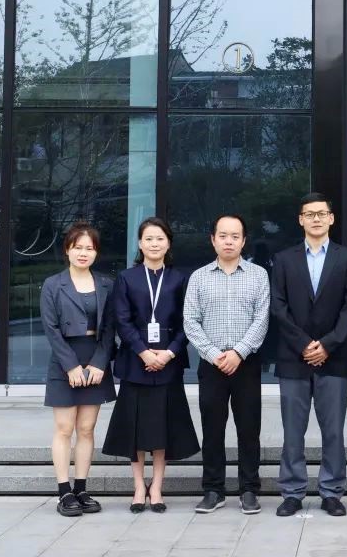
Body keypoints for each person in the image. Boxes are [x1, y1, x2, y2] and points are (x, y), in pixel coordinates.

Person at [272, 192, 347, 518]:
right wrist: (304, 345)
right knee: (292, 431)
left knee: (333, 430)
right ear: (301, 219)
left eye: (321, 213)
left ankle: (332, 492)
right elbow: (278, 306)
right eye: (309, 214)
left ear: (331, 218)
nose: (316, 219)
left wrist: (328, 344)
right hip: (293, 358)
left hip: (333, 358)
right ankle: (292, 492)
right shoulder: (284, 259)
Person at [102, 217, 200, 513]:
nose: (154, 244)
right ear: (140, 244)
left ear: (168, 243)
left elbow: (188, 321)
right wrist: (144, 352)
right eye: (148, 239)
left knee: (162, 426)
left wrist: (168, 353)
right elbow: (122, 320)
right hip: (136, 361)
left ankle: (156, 486)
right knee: (135, 427)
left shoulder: (180, 279)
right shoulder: (126, 278)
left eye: (160, 239)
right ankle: (137, 486)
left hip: (169, 361)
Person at [184, 214, 270, 515]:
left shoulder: (259, 275)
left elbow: (262, 319)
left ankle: (249, 489)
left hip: (246, 363)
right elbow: (190, 321)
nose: (229, 241)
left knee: (249, 429)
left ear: (244, 241)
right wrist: (213, 354)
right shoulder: (199, 277)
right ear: (213, 240)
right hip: (212, 364)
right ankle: (213, 490)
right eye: (223, 236)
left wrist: (239, 353)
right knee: (212, 429)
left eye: (235, 236)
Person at [41, 221, 116, 517]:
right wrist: (71, 366)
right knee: (64, 428)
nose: (83, 253)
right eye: (78, 247)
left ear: (96, 252)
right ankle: (64, 492)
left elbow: (110, 328)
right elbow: (51, 329)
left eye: (89, 248)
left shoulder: (107, 284)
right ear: (67, 250)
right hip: (64, 360)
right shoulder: (53, 284)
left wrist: (100, 362)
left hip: (95, 358)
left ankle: (81, 488)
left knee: (86, 428)